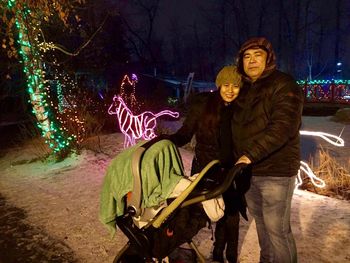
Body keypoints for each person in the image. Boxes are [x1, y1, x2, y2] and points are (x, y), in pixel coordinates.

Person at [233, 37, 304, 263]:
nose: (252, 61)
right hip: (249, 171)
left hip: (276, 171)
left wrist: (249, 155)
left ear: (268, 58)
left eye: (258, 55)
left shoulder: (284, 85)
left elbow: (283, 127)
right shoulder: (243, 89)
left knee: (278, 231)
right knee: (262, 227)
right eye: (247, 56)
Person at [167, 65, 248, 263]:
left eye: (235, 86)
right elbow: (185, 133)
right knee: (201, 211)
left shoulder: (241, 110)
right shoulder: (204, 105)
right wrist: (165, 142)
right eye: (226, 85)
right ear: (219, 85)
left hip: (232, 171)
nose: (230, 90)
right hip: (205, 169)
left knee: (231, 214)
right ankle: (177, 245)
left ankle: (225, 254)